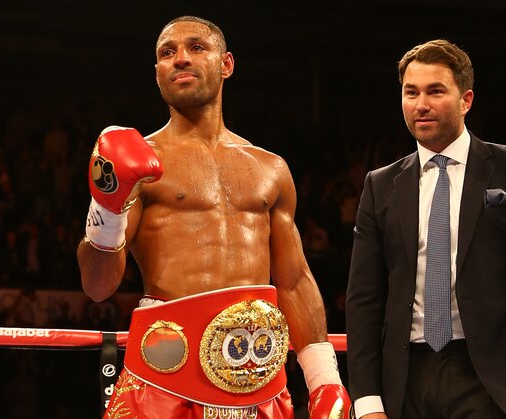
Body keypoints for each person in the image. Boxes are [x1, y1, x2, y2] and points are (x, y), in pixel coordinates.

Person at [77, 15, 351, 419]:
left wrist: (323, 377)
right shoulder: (140, 163)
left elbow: (293, 278)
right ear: (157, 74)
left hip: (258, 381)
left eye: (196, 48)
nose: (180, 59)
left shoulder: (270, 168)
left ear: (226, 64)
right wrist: (106, 208)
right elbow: (98, 286)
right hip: (163, 381)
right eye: (167, 53)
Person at [345, 39, 506, 419]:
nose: (421, 104)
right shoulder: (380, 184)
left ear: (466, 100)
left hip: (494, 378)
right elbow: (364, 299)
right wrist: (367, 401)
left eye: (435, 91)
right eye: (411, 92)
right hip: (404, 379)